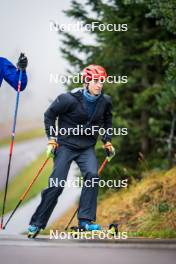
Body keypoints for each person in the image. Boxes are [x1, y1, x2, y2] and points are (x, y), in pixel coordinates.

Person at [27, 64, 115, 237]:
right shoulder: (68, 99)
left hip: (86, 147)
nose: (99, 85)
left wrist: (107, 141)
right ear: (87, 81)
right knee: (57, 184)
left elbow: (107, 120)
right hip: (65, 145)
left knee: (92, 176)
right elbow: (49, 115)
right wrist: (52, 139)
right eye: (96, 81)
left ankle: (85, 221)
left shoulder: (105, 101)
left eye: (102, 81)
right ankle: (37, 223)